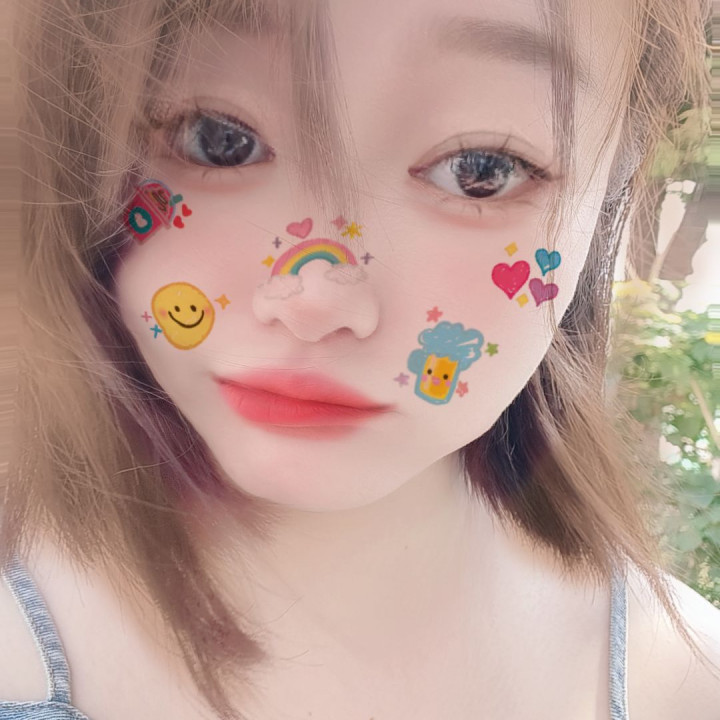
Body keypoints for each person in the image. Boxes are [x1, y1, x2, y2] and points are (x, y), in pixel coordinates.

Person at [1, 0, 718, 718]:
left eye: (481, 170)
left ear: (613, 186)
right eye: (217, 139)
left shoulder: (686, 685)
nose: (315, 300)